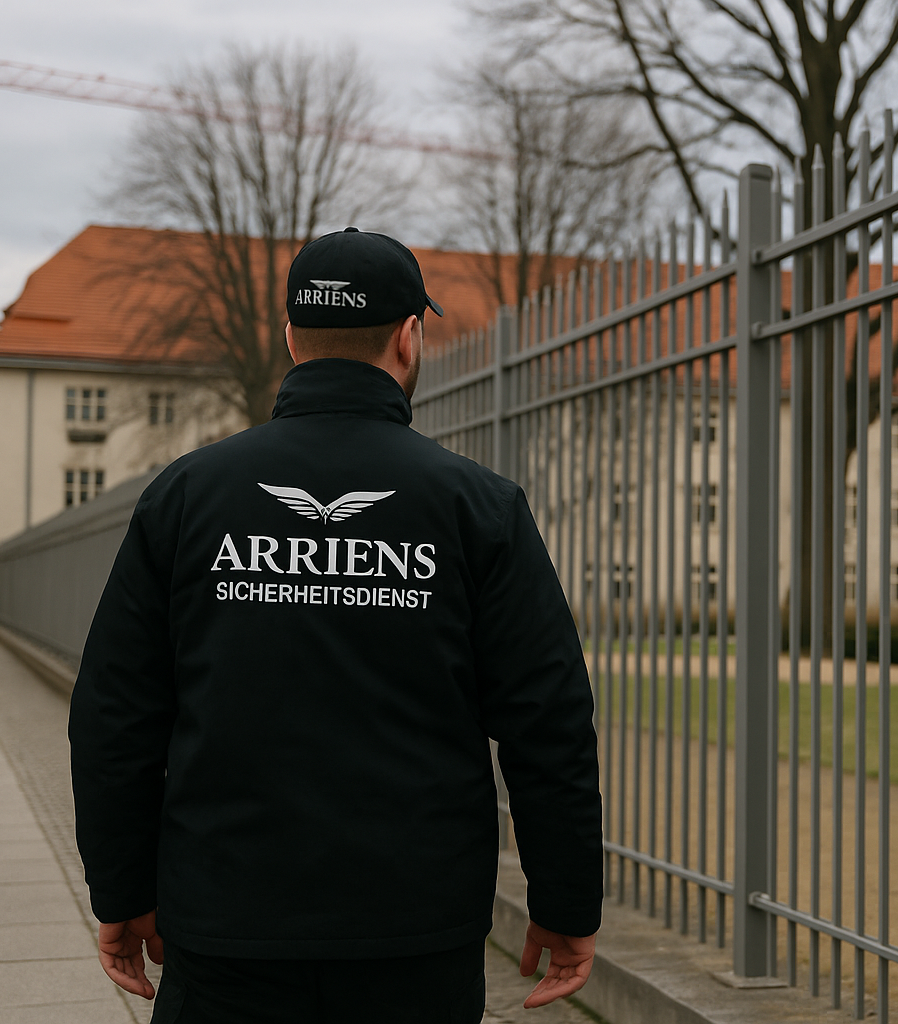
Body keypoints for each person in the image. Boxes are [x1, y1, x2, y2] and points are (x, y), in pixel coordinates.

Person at [68, 227, 603, 1023]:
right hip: (414, 930)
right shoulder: (477, 507)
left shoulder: (186, 497)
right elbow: (548, 723)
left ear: (290, 337)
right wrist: (564, 901)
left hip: (226, 921)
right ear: (408, 336)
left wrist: (122, 887)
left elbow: (115, 714)